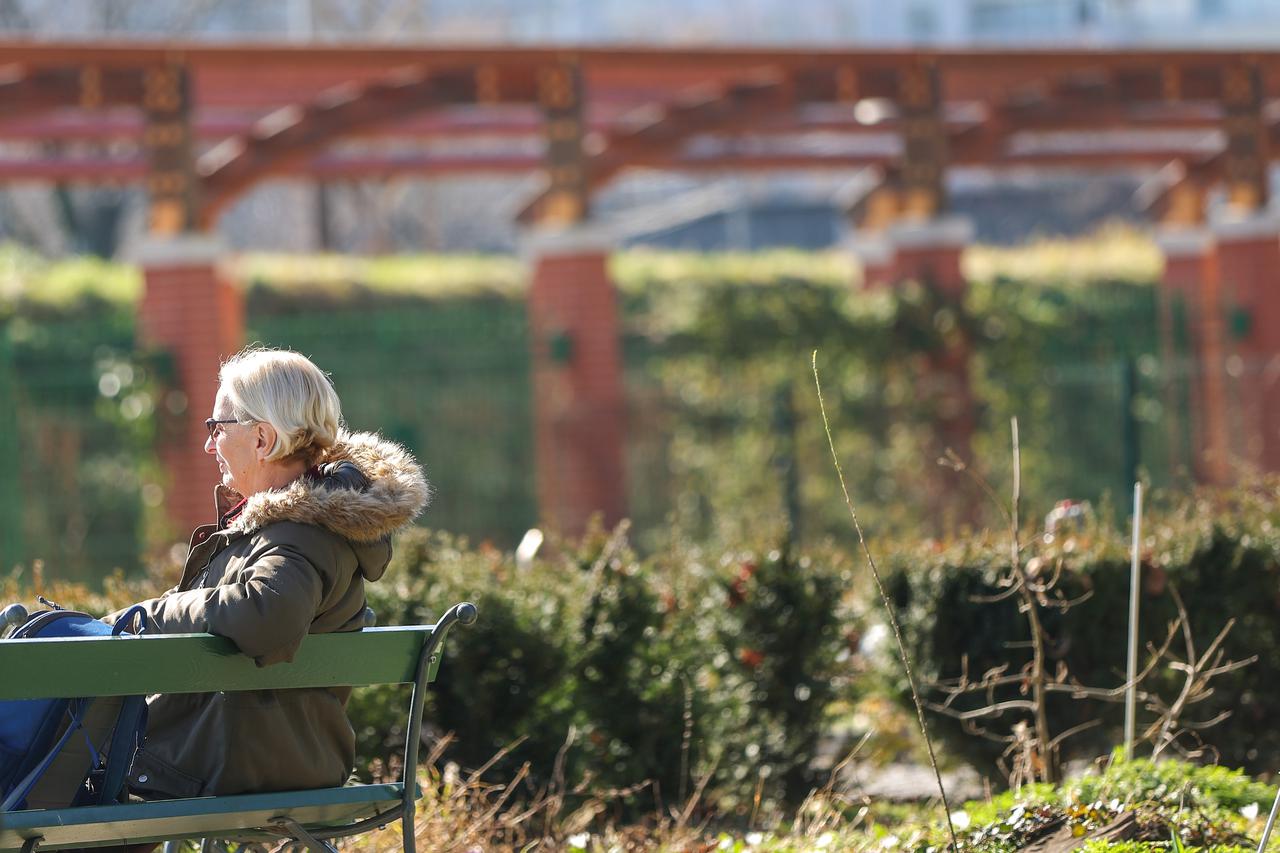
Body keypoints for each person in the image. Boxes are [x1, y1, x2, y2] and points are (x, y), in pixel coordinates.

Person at [107, 346, 430, 802]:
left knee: (76, 783)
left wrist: (152, 612)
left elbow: (266, 614)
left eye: (217, 427)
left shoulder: (300, 534)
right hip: (285, 758)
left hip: (227, 763)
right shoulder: (302, 530)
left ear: (261, 439)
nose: (208, 443)